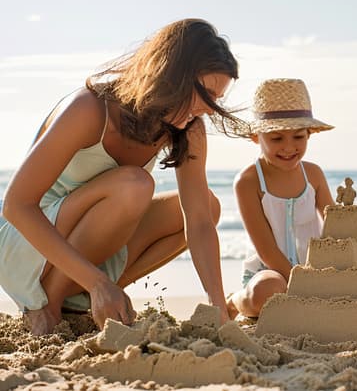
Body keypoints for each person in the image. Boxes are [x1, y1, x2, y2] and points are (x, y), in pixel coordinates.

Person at [0, 19, 248, 335]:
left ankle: (80, 299)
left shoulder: (189, 129)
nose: (211, 109)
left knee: (208, 207)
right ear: (172, 74)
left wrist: (218, 308)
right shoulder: (90, 109)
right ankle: (47, 306)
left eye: (217, 99)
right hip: (30, 250)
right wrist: (97, 281)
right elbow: (16, 206)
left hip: (92, 254)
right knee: (135, 185)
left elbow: (198, 220)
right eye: (206, 94)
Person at [227, 78, 335, 319]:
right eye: (276, 138)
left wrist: (329, 275)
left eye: (298, 137)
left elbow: (335, 227)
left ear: (310, 133)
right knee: (267, 292)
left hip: (315, 271)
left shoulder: (314, 175)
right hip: (269, 271)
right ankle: (235, 301)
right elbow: (266, 250)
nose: (289, 147)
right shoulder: (248, 181)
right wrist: (303, 284)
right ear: (257, 136)